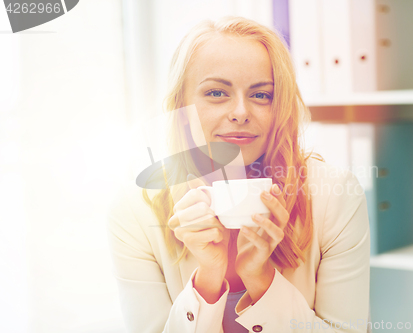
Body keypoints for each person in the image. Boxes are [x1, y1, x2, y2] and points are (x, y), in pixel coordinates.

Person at [107, 16, 371, 333]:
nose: (241, 112)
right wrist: (208, 279)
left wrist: (262, 281)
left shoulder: (334, 194)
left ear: (280, 108)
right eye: (217, 93)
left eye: (261, 95)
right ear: (183, 110)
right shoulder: (135, 210)